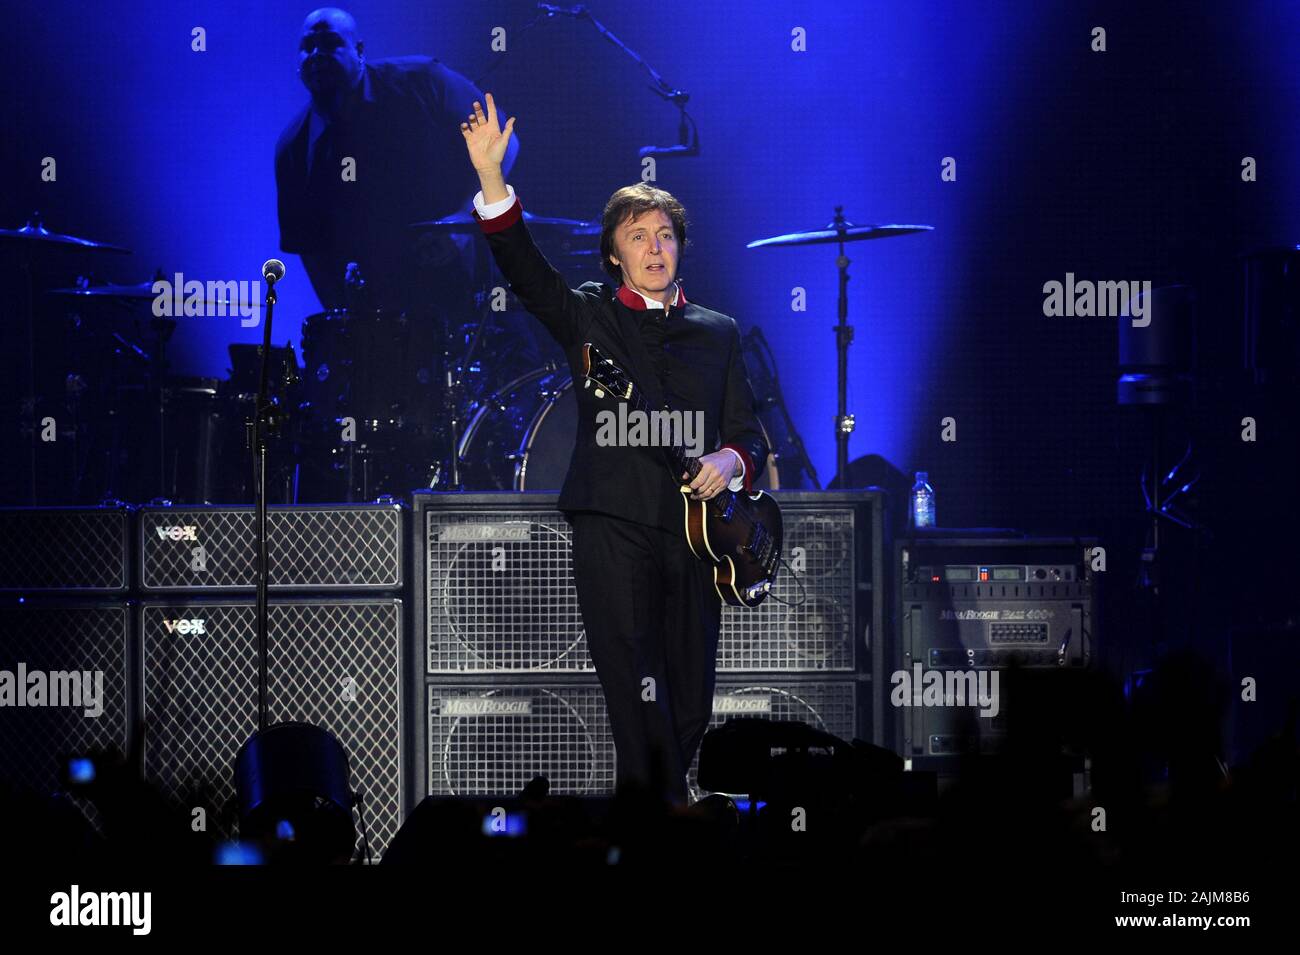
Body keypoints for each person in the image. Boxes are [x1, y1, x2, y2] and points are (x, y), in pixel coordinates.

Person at [460, 94, 769, 805]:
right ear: (613, 253)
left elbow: (747, 432)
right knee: (636, 694)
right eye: (639, 236)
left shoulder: (717, 331)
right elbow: (525, 268)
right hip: (613, 521)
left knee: (689, 698)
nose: (655, 247)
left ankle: (659, 810)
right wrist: (492, 181)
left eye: (665, 235)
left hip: (697, 541)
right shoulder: (590, 314)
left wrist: (731, 462)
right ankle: (655, 825)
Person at [275, 7, 520, 311]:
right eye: (307, 47)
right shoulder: (293, 148)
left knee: (519, 354)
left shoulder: (422, 81)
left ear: (359, 50)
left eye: (329, 43)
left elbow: (502, 142)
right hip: (385, 314)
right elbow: (309, 248)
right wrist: (341, 324)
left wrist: (464, 221)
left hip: (476, 286)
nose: (316, 55)